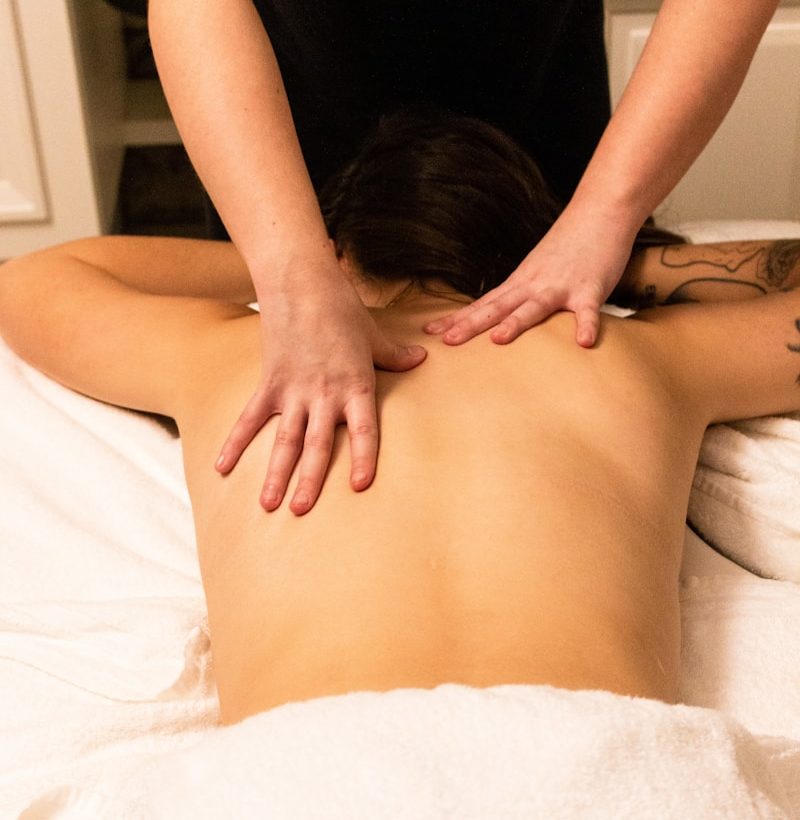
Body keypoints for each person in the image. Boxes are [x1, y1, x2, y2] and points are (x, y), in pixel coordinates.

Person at [1, 111, 798, 726]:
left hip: (306, 767)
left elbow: (35, 279)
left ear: (347, 250)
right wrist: (624, 256)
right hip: (598, 757)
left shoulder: (236, 356)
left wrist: (305, 266)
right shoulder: (632, 358)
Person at [147, 0, 781, 516]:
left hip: (541, 143)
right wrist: (291, 275)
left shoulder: (217, 359)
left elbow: (50, 281)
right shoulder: (638, 360)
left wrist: (605, 223)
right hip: (283, 142)